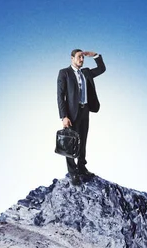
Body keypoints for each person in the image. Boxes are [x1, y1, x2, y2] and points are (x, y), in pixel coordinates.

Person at [57, 49, 106, 185]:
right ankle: (73, 173)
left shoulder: (86, 72)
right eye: (79, 57)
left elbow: (102, 69)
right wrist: (63, 116)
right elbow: (60, 96)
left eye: (83, 58)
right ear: (72, 58)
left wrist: (95, 56)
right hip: (71, 114)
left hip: (85, 111)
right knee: (70, 143)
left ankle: (82, 167)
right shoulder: (64, 73)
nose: (81, 60)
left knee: (83, 141)